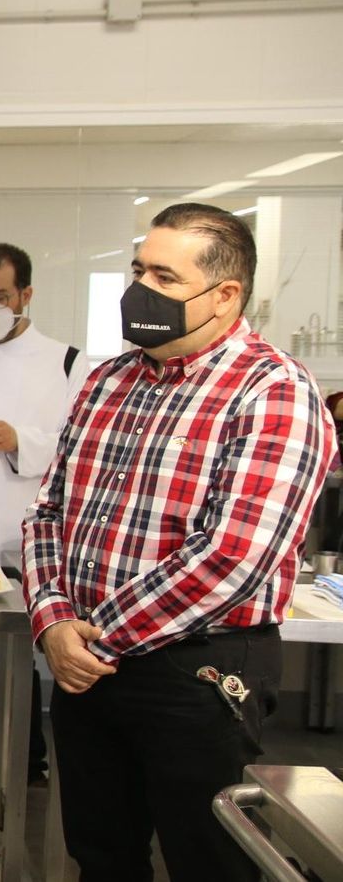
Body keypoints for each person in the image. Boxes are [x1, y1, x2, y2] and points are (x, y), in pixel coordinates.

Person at [23, 203, 334, 882]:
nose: (141, 291)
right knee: (101, 855)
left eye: (164, 276)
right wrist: (51, 624)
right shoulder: (109, 380)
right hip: (84, 668)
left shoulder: (272, 391)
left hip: (194, 673)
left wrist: (91, 639)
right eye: (139, 270)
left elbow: (231, 556)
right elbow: (48, 513)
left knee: (209, 860)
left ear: (224, 295)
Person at [0, 242, 85, 782]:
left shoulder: (67, 362)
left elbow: (82, 449)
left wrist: (21, 440)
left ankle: (28, 761)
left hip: (23, 535)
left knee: (16, 656)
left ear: (25, 295)